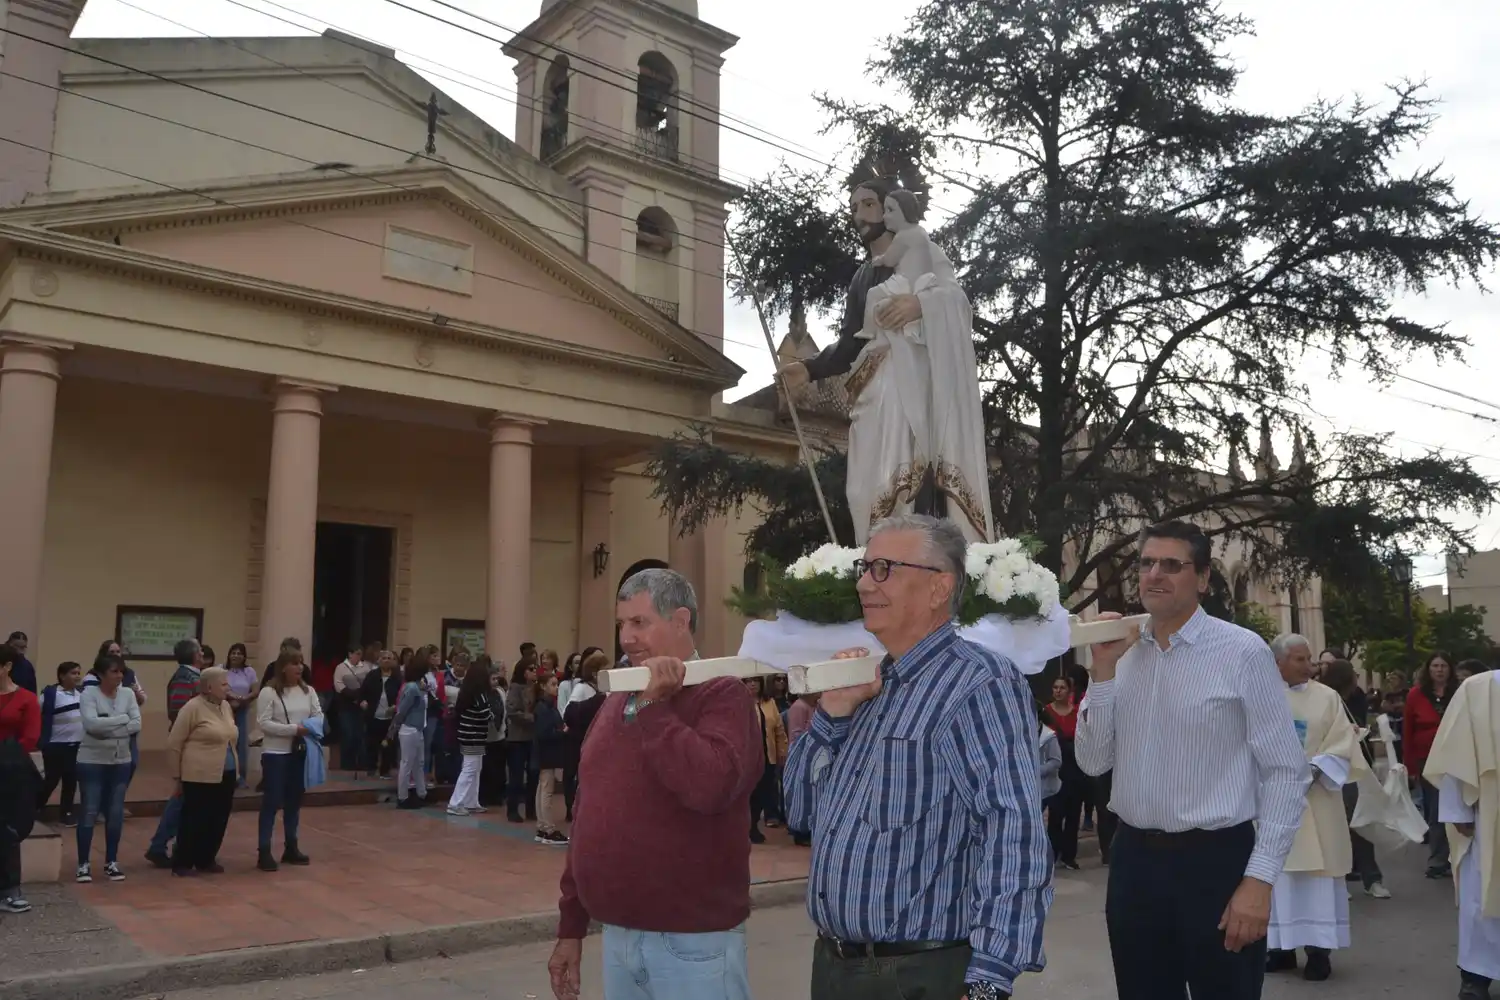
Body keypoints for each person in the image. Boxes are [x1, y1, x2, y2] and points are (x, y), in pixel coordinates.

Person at [781, 515, 1049, 1000]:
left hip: (920, 975)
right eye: (865, 567)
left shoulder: (978, 683)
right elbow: (799, 813)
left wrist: (989, 979)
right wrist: (832, 715)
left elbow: (1012, 829)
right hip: (836, 967)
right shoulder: (867, 685)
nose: (864, 582)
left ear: (938, 588)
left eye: (883, 568)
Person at [1076, 519, 1308, 1000]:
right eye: (1145, 563)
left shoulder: (1241, 652)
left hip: (1216, 862)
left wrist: (1259, 881)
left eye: (1172, 565)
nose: (1154, 574)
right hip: (1135, 863)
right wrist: (1100, 672)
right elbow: (1093, 761)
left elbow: (1286, 771)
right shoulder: (1121, 650)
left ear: (1202, 579)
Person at [547, 568, 762, 1000]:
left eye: (639, 623)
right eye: (621, 624)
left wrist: (653, 708)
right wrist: (571, 926)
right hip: (619, 936)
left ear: (681, 621)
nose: (625, 638)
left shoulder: (722, 695)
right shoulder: (617, 700)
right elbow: (590, 812)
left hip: (693, 943)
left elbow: (710, 785)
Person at [778, 178, 994, 544]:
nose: (858, 215)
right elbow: (851, 343)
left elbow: (957, 302)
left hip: (912, 390)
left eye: (867, 204)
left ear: (889, 207)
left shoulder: (925, 251)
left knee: (907, 484)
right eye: (852, 208)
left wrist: (921, 305)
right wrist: (810, 368)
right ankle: (875, 555)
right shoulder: (862, 277)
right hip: (872, 392)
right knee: (863, 490)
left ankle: (909, 556)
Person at [1263, 634, 1368, 982]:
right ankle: (1280, 948)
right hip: (1273, 800)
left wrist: (1313, 770)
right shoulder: (1260, 695)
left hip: (1317, 798)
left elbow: (1342, 742)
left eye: (1309, 659)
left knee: (1317, 879)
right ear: (1278, 662)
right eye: (1299, 659)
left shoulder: (1327, 698)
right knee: (1278, 877)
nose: (1308, 666)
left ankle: (1318, 952)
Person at [1424, 668, 1500, 1000]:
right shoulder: (1479, 689)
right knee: (1481, 893)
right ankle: (1476, 976)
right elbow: (1456, 748)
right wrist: (1457, 809)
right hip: (1488, 812)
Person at [1320, 657, 1391, 900]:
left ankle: (1361, 878)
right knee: (1349, 822)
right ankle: (1356, 878)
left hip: (1349, 765)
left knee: (1356, 820)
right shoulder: (1327, 697)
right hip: (1338, 764)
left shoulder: (1354, 696)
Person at [165, 666, 237, 877]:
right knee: (194, 818)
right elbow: (174, 743)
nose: (227, 687)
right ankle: (183, 861)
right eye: (223, 684)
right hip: (198, 773)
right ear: (208, 686)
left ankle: (206, 858)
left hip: (226, 772)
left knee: (218, 818)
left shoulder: (225, 706)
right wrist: (177, 777)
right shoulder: (192, 708)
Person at [75, 654, 141, 883]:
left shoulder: (128, 693)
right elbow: (91, 725)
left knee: (115, 813)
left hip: (120, 760)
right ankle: (83, 863)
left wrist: (110, 725)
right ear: (101, 674)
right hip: (91, 760)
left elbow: (137, 723)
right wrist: (121, 720)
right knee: (89, 811)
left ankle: (111, 861)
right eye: (114, 671)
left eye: (121, 671)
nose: (119, 676)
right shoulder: (88, 694)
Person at [256, 650, 321, 871]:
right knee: (272, 801)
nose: (300, 667)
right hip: (276, 753)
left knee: (294, 801)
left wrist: (310, 727)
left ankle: (291, 846)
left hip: (299, 752)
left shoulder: (308, 690)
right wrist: (294, 729)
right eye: (295, 663)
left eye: (301, 663)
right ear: (283, 667)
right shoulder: (269, 692)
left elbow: (318, 714)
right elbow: (263, 723)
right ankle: (263, 850)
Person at [145, 637, 204, 868]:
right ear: (192, 654)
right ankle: (160, 845)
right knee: (182, 797)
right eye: (199, 650)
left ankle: (172, 844)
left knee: (187, 798)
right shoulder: (184, 678)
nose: (203, 654)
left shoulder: (195, 676)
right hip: (190, 745)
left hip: (198, 745)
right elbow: (179, 712)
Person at [1408, 651, 1458, 878]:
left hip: (1456, 756)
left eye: (1443, 666)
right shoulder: (1416, 695)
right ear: (1428, 669)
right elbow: (1408, 730)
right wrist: (1409, 766)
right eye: (1435, 666)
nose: (1439, 670)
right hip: (1427, 758)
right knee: (1436, 809)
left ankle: (1456, 856)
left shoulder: (1458, 693)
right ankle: (1437, 859)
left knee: (1459, 807)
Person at [0, 643, 41, 913]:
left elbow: (30, 737)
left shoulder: (26, 698)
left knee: (7, 830)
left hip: (11, 771)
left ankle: (10, 889)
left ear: (7, 667)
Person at [1042, 675, 1086, 870]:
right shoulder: (1047, 712)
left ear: (1069, 691)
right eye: (1055, 687)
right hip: (1055, 768)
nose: (1058, 690)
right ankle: (1053, 853)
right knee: (1055, 815)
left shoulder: (1077, 712)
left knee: (1073, 813)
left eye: (1062, 687)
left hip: (1075, 768)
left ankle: (1070, 856)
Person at [38, 661, 85, 826]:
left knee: (71, 780)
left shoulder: (81, 693)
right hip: (55, 745)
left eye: (79, 673)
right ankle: (35, 808)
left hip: (76, 745)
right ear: (62, 676)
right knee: (51, 780)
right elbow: (37, 714)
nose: (77, 676)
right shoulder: (50, 694)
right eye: (73, 673)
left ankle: (66, 813)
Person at [449, 660, 493, 817]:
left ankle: (471, 801)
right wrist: (492, 714)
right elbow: (485, 713)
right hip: (473, 735)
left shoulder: (467, 691)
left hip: (470, 734)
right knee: (469, 769)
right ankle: (455, 803)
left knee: (475, 768)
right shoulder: (479, 694)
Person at [390, 656, 429, 810]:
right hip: (409, 728)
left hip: (418, 728)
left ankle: (421, 792)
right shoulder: (411, 688)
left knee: (419, 763)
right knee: (407, 763)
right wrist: (395, 726)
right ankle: (402, 796)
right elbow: (402, 709)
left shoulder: (418, 686)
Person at [332, 643, 371, 773]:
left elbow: (369, 684)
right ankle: (347, 763)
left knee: (360, 735)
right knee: (348, 733)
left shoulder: (366, 667)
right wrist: (355, 697)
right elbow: (339, 687)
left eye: (360, 654)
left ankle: (361, 762)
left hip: (361, 706)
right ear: (350, 654)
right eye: (356, 654)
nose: (359, 657)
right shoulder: (341, 668)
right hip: (346, 705)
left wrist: (362, 698)